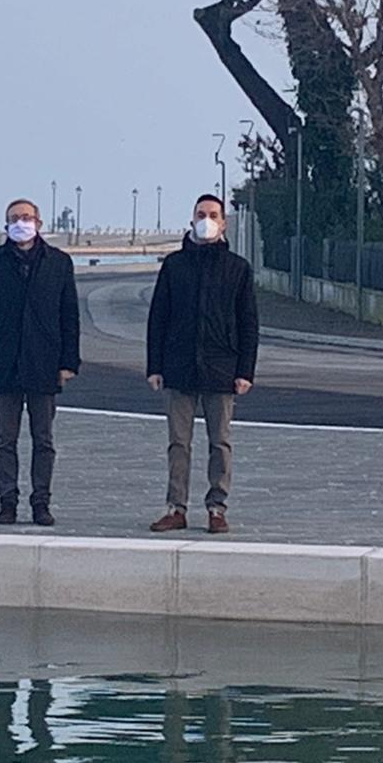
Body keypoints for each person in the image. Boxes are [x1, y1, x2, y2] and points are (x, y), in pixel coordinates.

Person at [145, 194, 259, 534]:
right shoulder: (174, 265)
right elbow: (158, 318)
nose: (206, 219)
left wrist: (245, 371)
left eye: (212, 215)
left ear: (223, 223)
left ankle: (216, 507)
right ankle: (175, 507)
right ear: (191, 219)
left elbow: (248, 323)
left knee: (219, 442)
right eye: (200, 214)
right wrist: (155, 366)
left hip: (221, 368)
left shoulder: (237, 268)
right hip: (178, 366)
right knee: (178, 443)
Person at [0, 198, 80, 526]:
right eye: (15, 218)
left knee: (43, 439)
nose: (22, 223)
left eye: (27, 217)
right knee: (5, 439)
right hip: (4, 364)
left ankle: (41, 501)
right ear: (6, 225)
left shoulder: (59, 262)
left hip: (44, 363)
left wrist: (69, 363)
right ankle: (7, 501)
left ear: (39, 223)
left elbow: (69, 316)